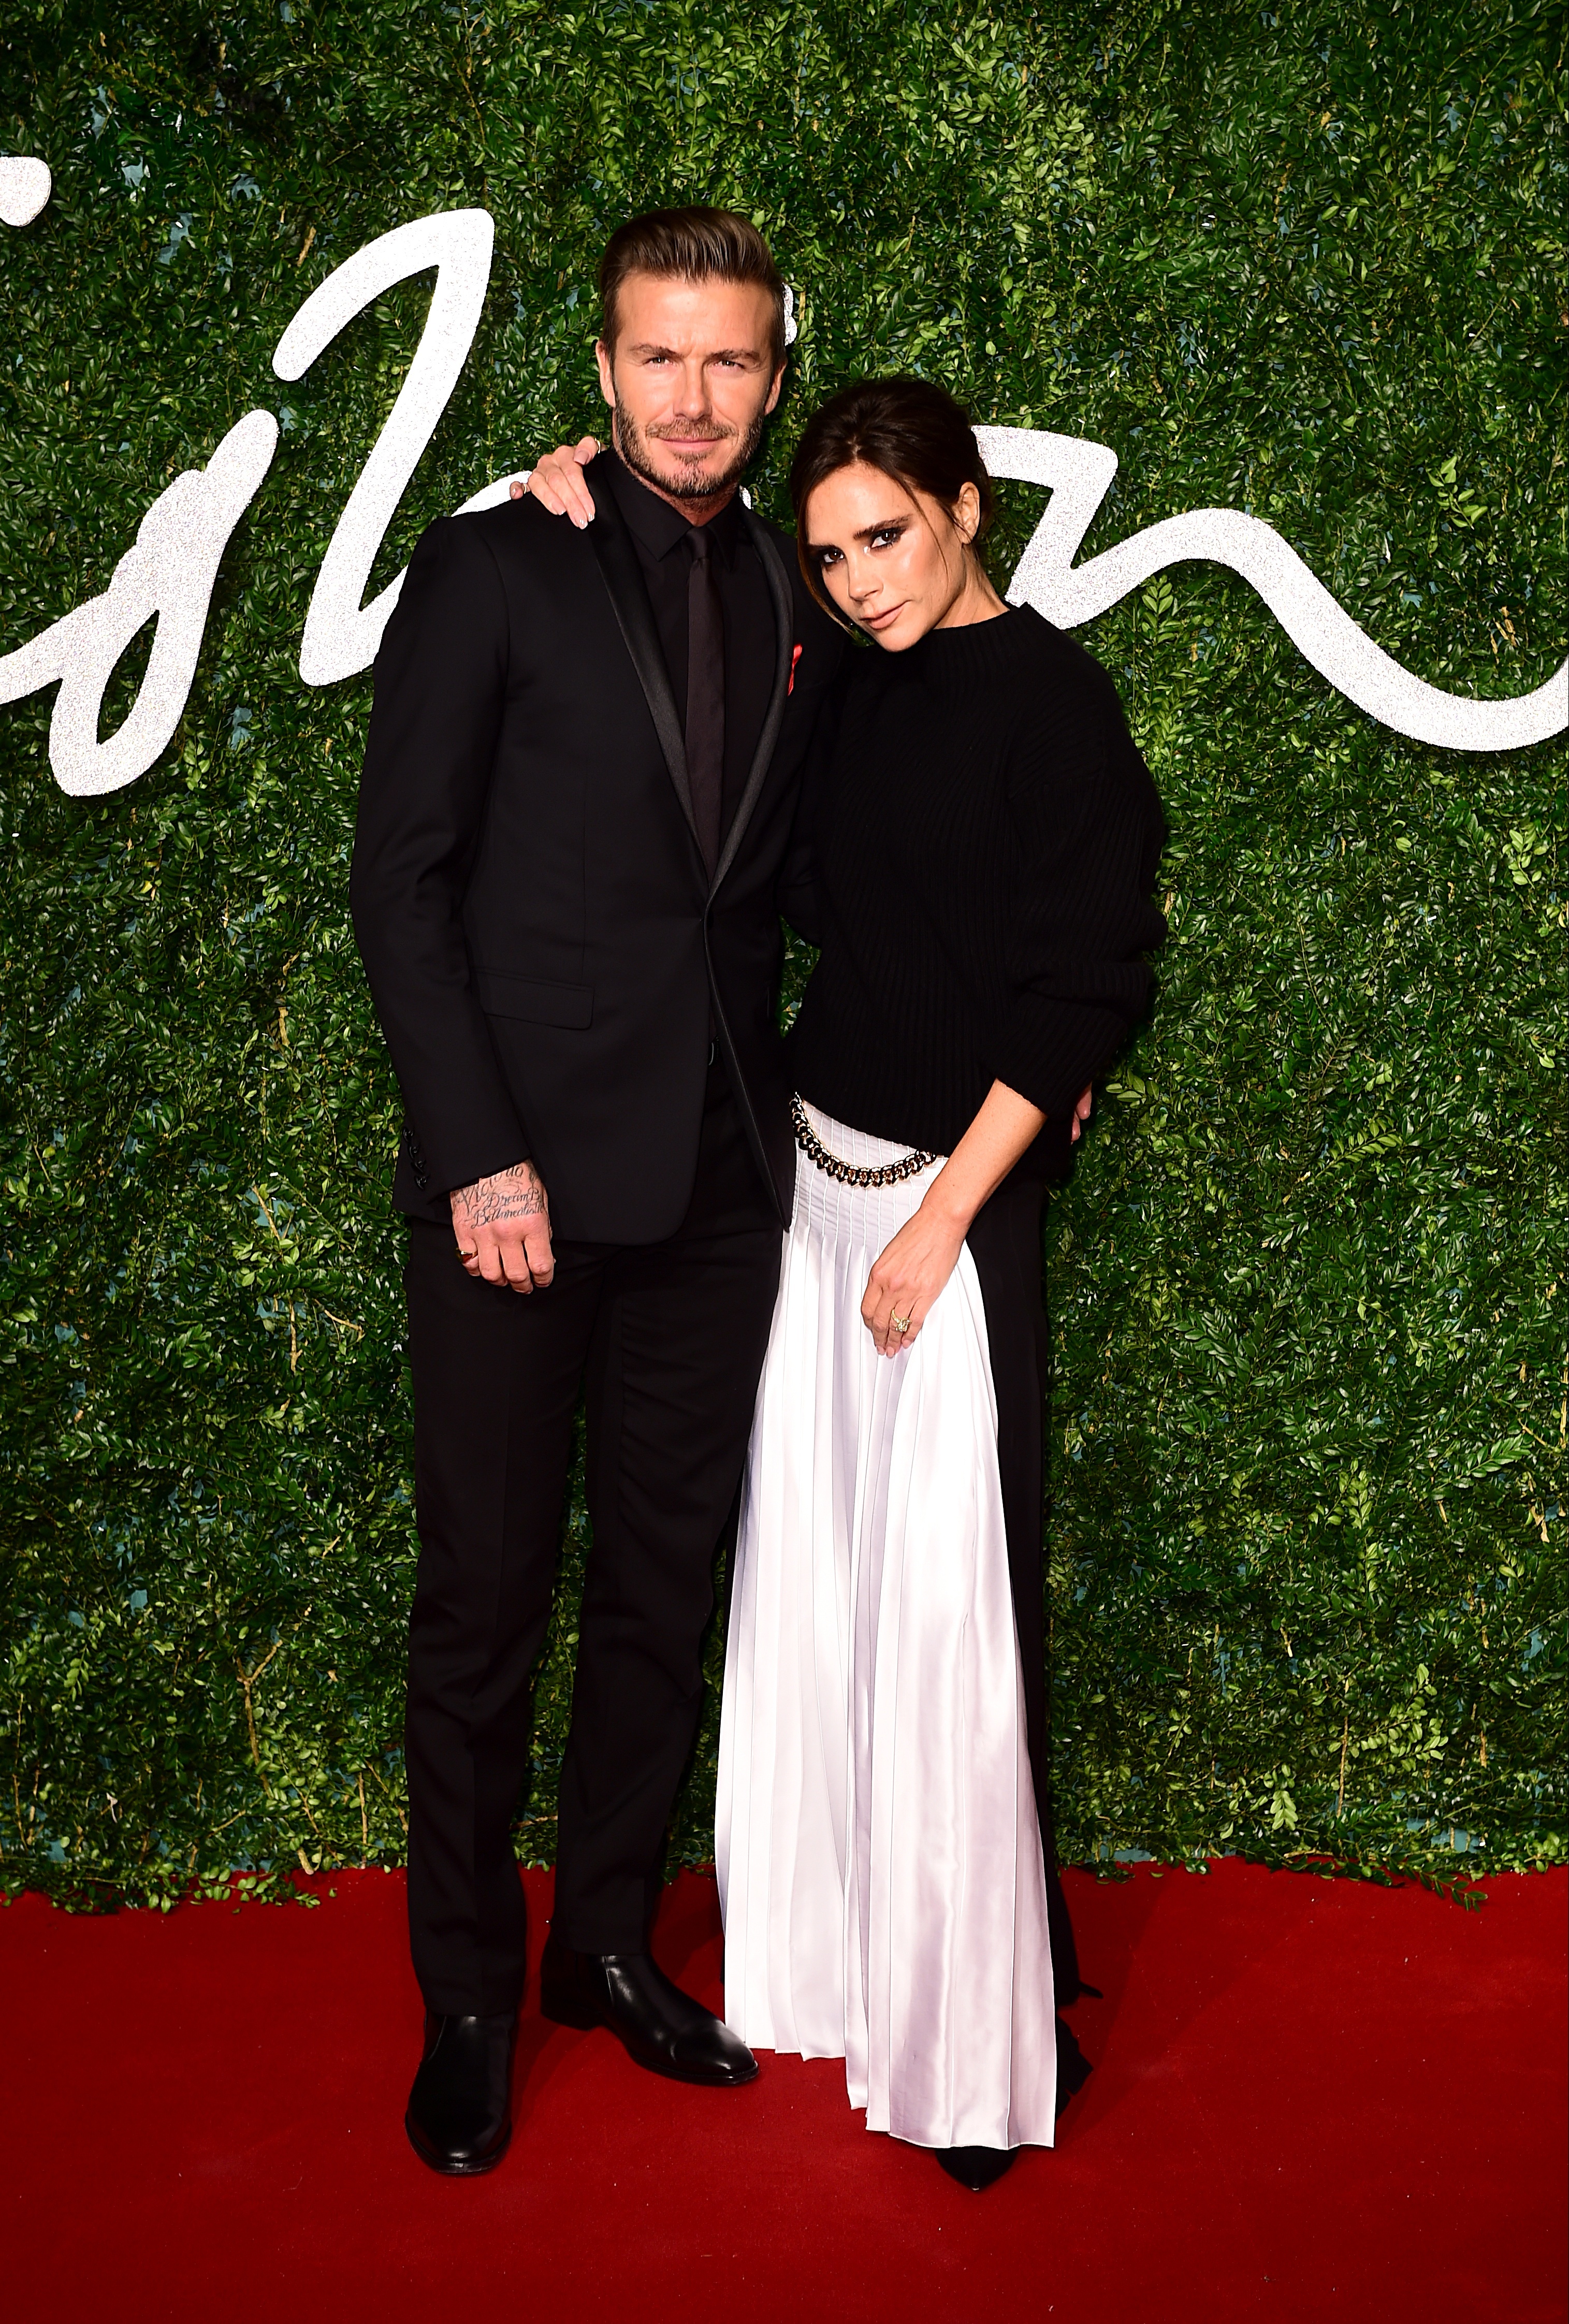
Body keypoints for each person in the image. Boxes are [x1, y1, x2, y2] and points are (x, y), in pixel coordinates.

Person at [527, 376, 1166, 2190]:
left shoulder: (1057, 701)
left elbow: (1087, 979)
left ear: (967, 504)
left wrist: (949, 1215)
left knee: (953, 1618)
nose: (860, 578)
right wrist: (570, 502)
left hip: (934, 1220)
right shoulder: (842, 684)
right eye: (829, 554)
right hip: (809, 1190)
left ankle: (975, 2024)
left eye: (884, 535)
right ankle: (835, 1962)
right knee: (817, 1595)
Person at [351, 207, 845, 2175]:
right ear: (607, 368)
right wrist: (481, 1148)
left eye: (732, 362)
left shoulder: (813, 597)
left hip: (722, 1179)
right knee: (483, 1604)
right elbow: (405, 885)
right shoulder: (490, 569)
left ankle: (609, 1949)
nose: (698, 398)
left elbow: (840, 859)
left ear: (776, 377)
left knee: (660, 1591)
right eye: (663, 358)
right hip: (520, 1187)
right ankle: (471, 1993)